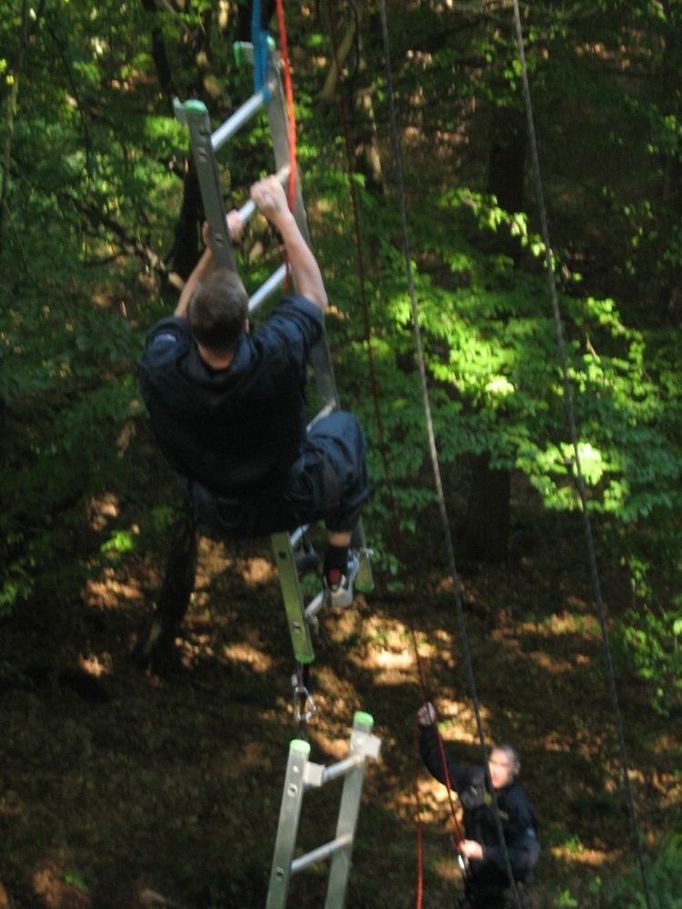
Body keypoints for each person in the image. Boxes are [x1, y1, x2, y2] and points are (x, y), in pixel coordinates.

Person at [136, 175, 369, 667]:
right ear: (246, 325)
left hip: (218, 510)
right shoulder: (275, 355)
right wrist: (280, 215)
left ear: (193, 330)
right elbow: (313, 296)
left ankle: (329, 562)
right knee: (346, 431)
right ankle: (337, 563)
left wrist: (212, 254)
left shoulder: (162, 367)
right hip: (290, 494)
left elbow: (177, 319)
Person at [417, 702, 540, 908]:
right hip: (475, 892)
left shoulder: (518, 806)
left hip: (506, 897)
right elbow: (443, 767)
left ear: (515, 769)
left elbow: (526, 858)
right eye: (492, 763)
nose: (495, 771)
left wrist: (483, 852)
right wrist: (429, 728)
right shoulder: (476, 780)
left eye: (503, 766)